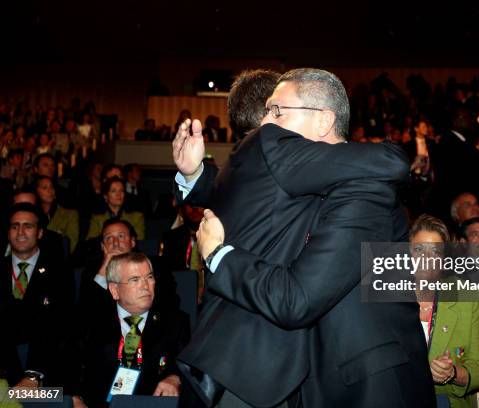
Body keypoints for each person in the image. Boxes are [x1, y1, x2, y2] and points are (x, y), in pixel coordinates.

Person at [177, 68, 434, 407]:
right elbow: (256, 201)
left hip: (369, 385)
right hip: (317, 381)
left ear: (324, 121)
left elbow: (297, 299)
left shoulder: (365, 189)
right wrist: (195, 175)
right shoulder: (314, 179)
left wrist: (218, 255)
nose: (265, 124)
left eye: (277, 111)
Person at [65, 252, 190, 408]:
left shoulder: (175, 321)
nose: (146, 286)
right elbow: (67, 363)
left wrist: (175, 377)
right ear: (114, 290)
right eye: (135, 279)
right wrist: (74, 397)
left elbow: (188, 363)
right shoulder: (90, 321)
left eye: (149, 277)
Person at [408, 214, 479, 407]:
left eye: (436, 252)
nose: (427, 259)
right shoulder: (386, 298)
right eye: (419, 250)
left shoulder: (466, 296)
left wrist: (452, 373)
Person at [0, 203, 71, 387]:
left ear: (40, 233)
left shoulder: (60, 272)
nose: (20, 232)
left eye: (28, 226)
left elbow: (60, 327)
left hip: (45, 375)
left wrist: (34, 375)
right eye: (15, 226)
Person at [35, 175, 79, 253]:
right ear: (36, 191)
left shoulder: (69, 214)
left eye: (51, 187)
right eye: (45, 188)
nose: (50, 191)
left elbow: (72, 244)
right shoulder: (33, 215)